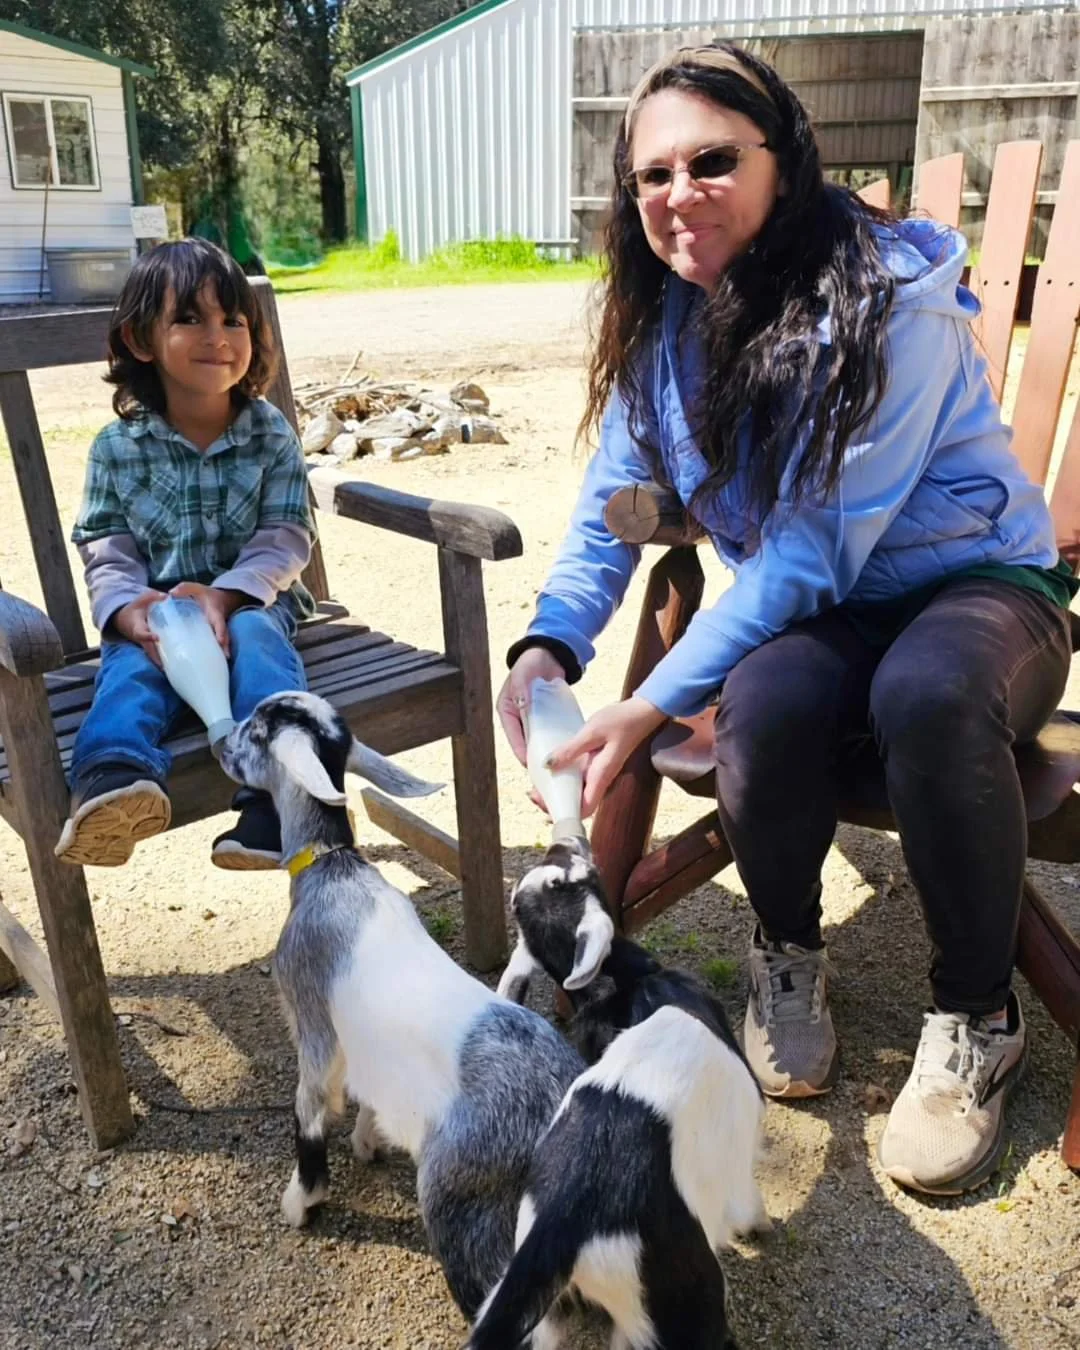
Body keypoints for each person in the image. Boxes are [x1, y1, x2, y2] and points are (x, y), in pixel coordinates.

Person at [497, 42, 1074, 1197]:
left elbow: (816, 547)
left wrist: (652, 695)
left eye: (711, 160)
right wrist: (548, 643)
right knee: (758, 704)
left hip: (975, 589)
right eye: (650, 177)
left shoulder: (889, 301)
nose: (676, 195)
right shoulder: (666, 321)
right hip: (829, 607)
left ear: (785, 162)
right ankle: (787, 951)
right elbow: (614, 504)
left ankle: (977, 1015)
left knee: (926, 692)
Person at [56, 238, 315, 872]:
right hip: (161, 617)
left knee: (256, 639)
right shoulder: (116, 449)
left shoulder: (269, 432)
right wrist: (130, 612)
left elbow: (286, 534)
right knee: (132, 671)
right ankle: (113, 780)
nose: (218, 336)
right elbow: (107, 550)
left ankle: (275, 797)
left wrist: (226, 595)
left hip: (254, 605)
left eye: (234, 320)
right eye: (190, 318)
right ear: (141, 340)